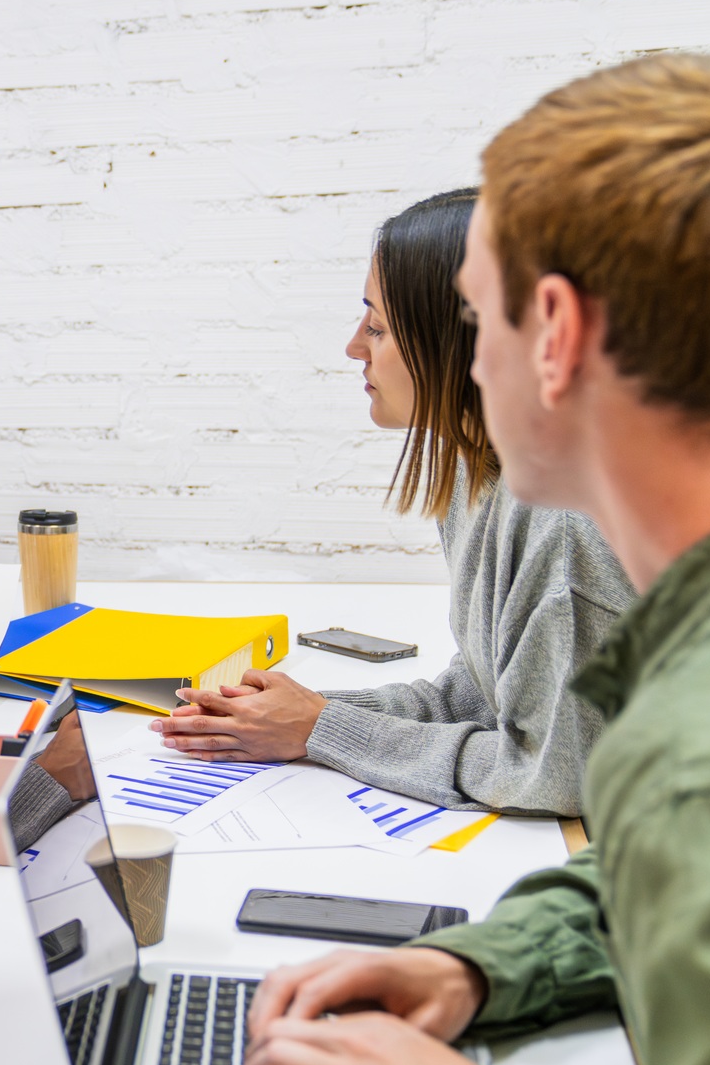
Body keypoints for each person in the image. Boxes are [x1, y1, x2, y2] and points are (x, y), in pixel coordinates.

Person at [244, 54, 710, 1065]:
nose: (465, 363)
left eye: (476, 319)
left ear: (554, 335)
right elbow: (678, 873)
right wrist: (484, 967)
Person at [152, 189, 634, 816]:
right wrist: (301, 712)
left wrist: (322, 729)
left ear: (461, 343)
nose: (355, 347)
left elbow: (554, 775)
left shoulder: (566, 526)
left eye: (377, 327)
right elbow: (488, 695)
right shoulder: (480, 468)